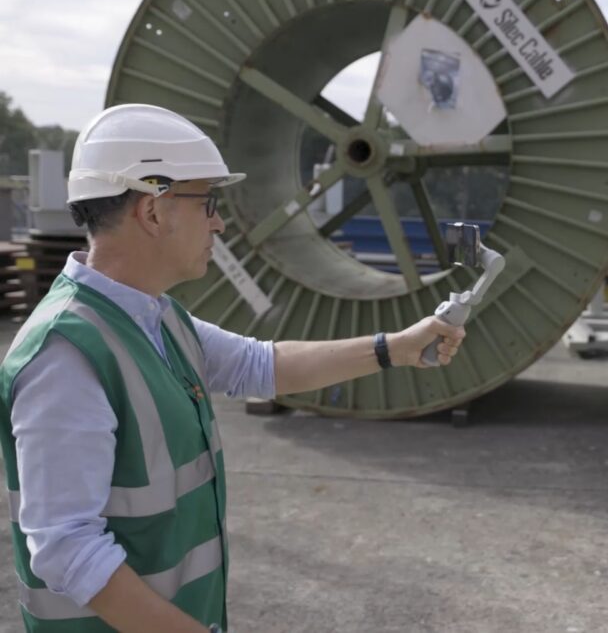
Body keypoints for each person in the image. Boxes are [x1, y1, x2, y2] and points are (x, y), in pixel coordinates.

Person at [0, 104, 466, 632]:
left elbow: (259, 364)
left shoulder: (156, 317)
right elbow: (67, 549)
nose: (219, 221)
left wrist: (394, 348)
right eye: (208, 202)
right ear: (153, 211)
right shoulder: (67, 355)